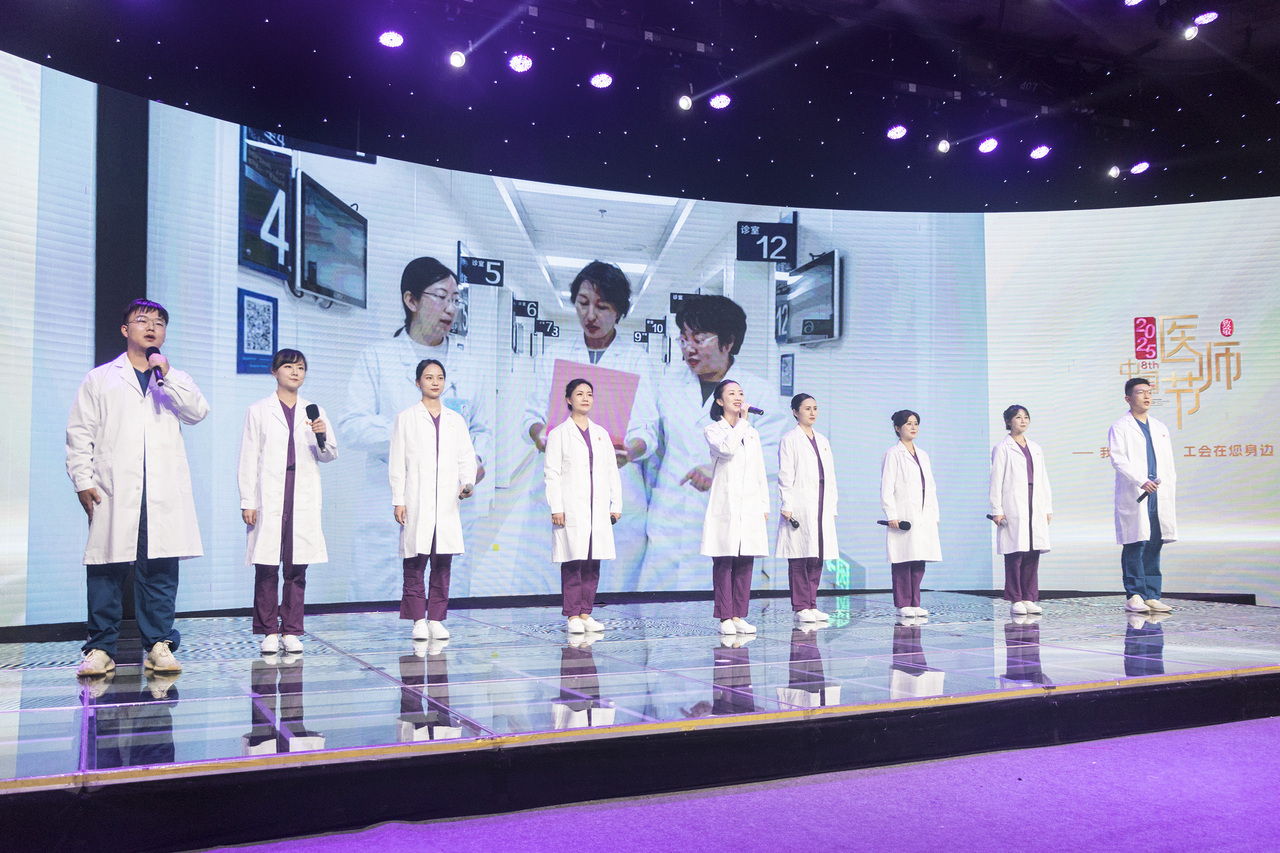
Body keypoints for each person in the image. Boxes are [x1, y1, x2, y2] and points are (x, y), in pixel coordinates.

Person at [66, 298, 210, 678]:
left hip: (161, 490)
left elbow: (198, 412)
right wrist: (83, 480)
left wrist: (168, 375)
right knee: (106, 568)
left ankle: (159, 644)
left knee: (160, 569)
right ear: (124, 330)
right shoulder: (100, 378)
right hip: (113, 487)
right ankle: (101, 648)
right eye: (142, 320)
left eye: (159, 323)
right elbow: (80, 432)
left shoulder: (172, 378)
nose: (151, 327)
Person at [337, 257, 492, 600]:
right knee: (381, 607)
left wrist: (477, 460)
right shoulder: (377, 359)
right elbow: (352, 426)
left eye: (456, 299)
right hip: (391, 501)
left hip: (451, 501)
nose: (451, 308)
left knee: (444, 602)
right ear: (411, 300)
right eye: (441, 297)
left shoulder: (470, 366)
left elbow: (482, 429)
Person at [631, 295, 785, 590]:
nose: (688, 348)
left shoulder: (759, 393)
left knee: (720, 606)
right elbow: (651, 439)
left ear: (728, 342)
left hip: (727, 521)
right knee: (658, 609)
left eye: (699, 339)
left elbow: (773, 455)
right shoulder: (667, 383)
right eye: (683, 338)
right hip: (668, 519)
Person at [520, 261, 655, 589]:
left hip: (615, 484)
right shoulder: (554, 356)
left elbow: (648, 429)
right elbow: (530, 415)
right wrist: (540, 435)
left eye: (602, 306)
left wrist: (630, 451)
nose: (590, 315)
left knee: (611, 588)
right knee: (555, 584)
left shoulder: (637, 360)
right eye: (583, 303)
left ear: (618, 310)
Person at [237, 349, 339, 655]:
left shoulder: (314, 411)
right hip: (270, 493)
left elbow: (329, 454)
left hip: (301, 492)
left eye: (301, 368)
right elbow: (249, 457)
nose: (295, 372)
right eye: (289, 366)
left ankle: (292, 630)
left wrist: (322, 435)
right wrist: (248, 500)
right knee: (267, 565)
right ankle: (269, 630)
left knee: (297, 567)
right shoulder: (258, 410)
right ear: (274, 371)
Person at [390, 359, 478, 641]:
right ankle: (418, 619)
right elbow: (397, 462)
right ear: (418, 382)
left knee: (442, 564)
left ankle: (437, 619)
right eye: (429, 377)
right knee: (415, 562)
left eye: (440, 377)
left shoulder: (455, 419)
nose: (435, 382)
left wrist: (468, 482)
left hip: (447, 503)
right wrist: (398, 499)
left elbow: (466, 456)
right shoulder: (406, 418)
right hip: (416, 500)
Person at [544, 379, 623, 634]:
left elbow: (611, 470)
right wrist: (556, 507)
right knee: (573, 561)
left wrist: (616, 503)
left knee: (592, 562)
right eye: (579, 394)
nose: (585, 398)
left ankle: (586, 613)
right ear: (568, 399)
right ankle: (572, 615)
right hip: (571, 508)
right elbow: (552, 473)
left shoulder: (601, 433)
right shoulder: (558, 434)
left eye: (589, 394)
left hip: (597, 509)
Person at [701, 379, 770, 635]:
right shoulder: (713, 430)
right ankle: (725, 617)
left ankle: (739, 615)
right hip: (726, 505)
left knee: (745, 561)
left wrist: (764, 504)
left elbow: (759, 470)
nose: (738, 397)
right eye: (732, 393)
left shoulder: (752, 433)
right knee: (724, 561)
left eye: (741, 393)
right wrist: (743, 422)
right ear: (720, 401)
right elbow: (727, 450)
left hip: (750, 504)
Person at [1109, 377, 1177, 613]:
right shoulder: (1120, 427)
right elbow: (1118, 459)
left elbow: (1168, 463)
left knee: (1154, 542)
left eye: (1149, 392)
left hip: (1158, 492)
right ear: (1128, 398)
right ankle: (1135, 594)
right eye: (1140, 392)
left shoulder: (1160, 427)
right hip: (1136, 492)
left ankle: (1152, 595)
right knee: (1135, 542)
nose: (1147, 396)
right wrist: (1141, 480)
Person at [776, 393, 839, 624]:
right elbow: (786, 474)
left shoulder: (822, 440)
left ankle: (812, 604)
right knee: (799, 557)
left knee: (817, 556)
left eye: (815, 408)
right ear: (795, 412)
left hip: (821, 504)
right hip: (800, 504)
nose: (812, 412)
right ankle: (801, 606)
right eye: (807, 408)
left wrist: (832, 505)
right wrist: (787, 503)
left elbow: (830, 476)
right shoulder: (789, 439)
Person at [989, 404, 1052, 617]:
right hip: (1014, 503)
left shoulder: (1035, 447)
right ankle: (1016, 598)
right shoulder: (1002, 448)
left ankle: (1029, 597)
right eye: (1017, 417)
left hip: (1035, 503)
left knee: (1033, 552)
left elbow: (1043, 479)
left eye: (1026, 417)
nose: (1023, 420)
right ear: (1008, 421)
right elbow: (996, 481)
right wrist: (997, 510)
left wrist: (1047, 507)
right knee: (1015, 553)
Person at [880, 410, 941, 618]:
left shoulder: (923, 455)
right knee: (903, 561)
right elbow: (887, 488)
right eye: (908, 424)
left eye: (916, 423)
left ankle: (915, 602)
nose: (913, 427)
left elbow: (930, 488)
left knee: (918, 559)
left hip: (923, 516)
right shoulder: (893, 454)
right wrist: (891, 514)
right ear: (897, 428)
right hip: (903, 516)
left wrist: (934, 514)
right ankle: (903, 603)